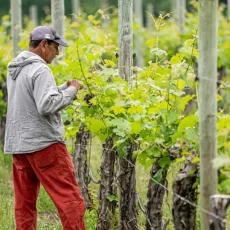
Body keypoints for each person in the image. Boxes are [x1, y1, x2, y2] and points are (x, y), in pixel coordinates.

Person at [4, 26, 86, 230]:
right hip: (44, 145)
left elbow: (32, 98)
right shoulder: (40, 69)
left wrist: (61, 89)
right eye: (55, 47)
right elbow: (46, 105)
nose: (57, 53)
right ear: (43, 44)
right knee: (70, 200)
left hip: (19, 146)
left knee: (25, 203)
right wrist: (73, 91)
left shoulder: (15, 68)